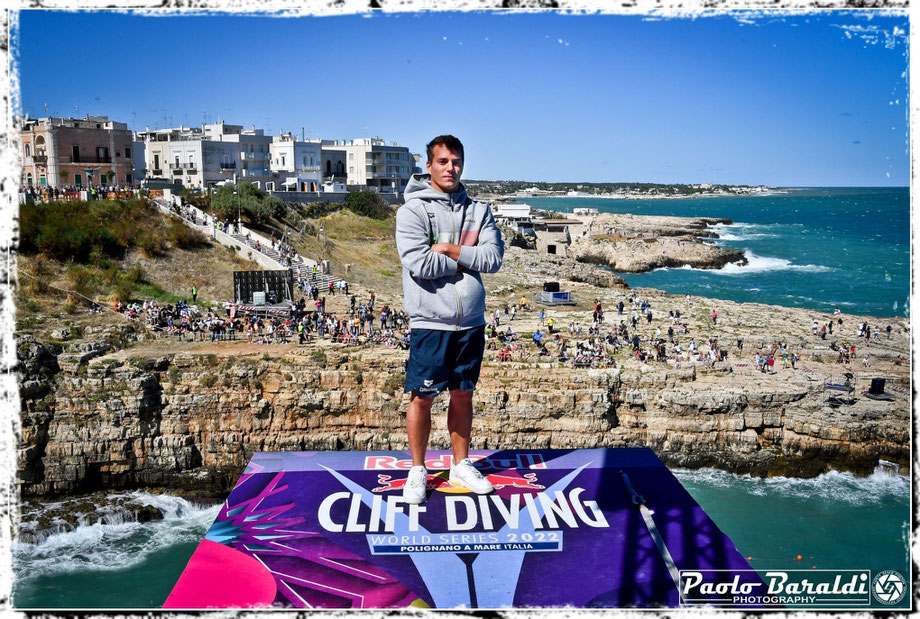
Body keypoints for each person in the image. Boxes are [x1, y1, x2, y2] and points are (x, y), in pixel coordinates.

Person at [395, 134, 504, 505]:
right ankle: (417, 469)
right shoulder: (412, 211)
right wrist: (467, 257)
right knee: (422, 397)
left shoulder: (480, 210)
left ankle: (460, 464)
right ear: (429, 166)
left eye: (456, 161)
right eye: (442, 161)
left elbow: (493, 259)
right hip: (430, 321)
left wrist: (450, 248)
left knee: (463, 395)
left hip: (471, 322)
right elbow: (418, 263)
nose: (450, 168)